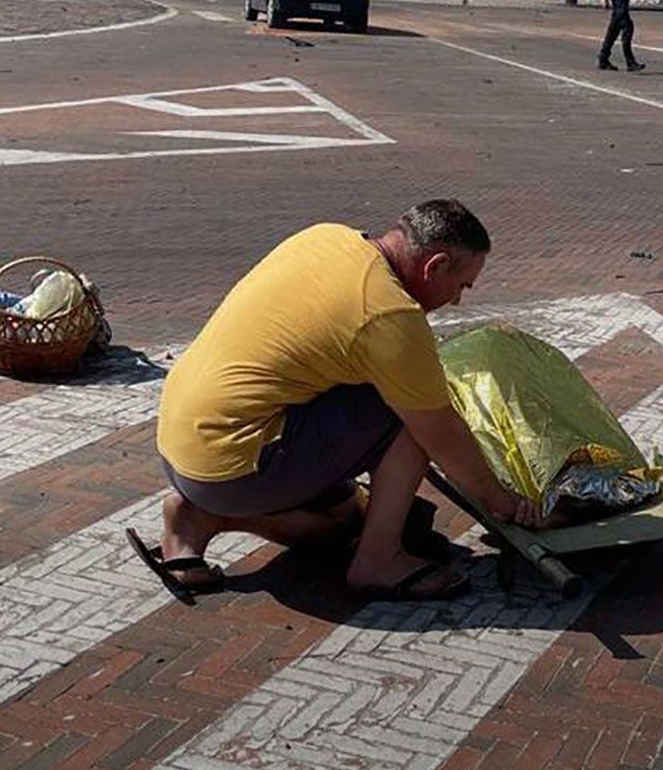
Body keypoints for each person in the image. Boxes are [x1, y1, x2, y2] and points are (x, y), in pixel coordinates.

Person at [145, 200, 543, 603]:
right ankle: (378, 561)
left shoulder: (326, 236)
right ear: (435, 265)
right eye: (462, 286)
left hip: (182, 445)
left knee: (346, 524)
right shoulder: (389, 314)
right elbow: (442, 435)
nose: (457, 300)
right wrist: (504, 503)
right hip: (233, 465)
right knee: (412, 417)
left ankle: (198, 516)